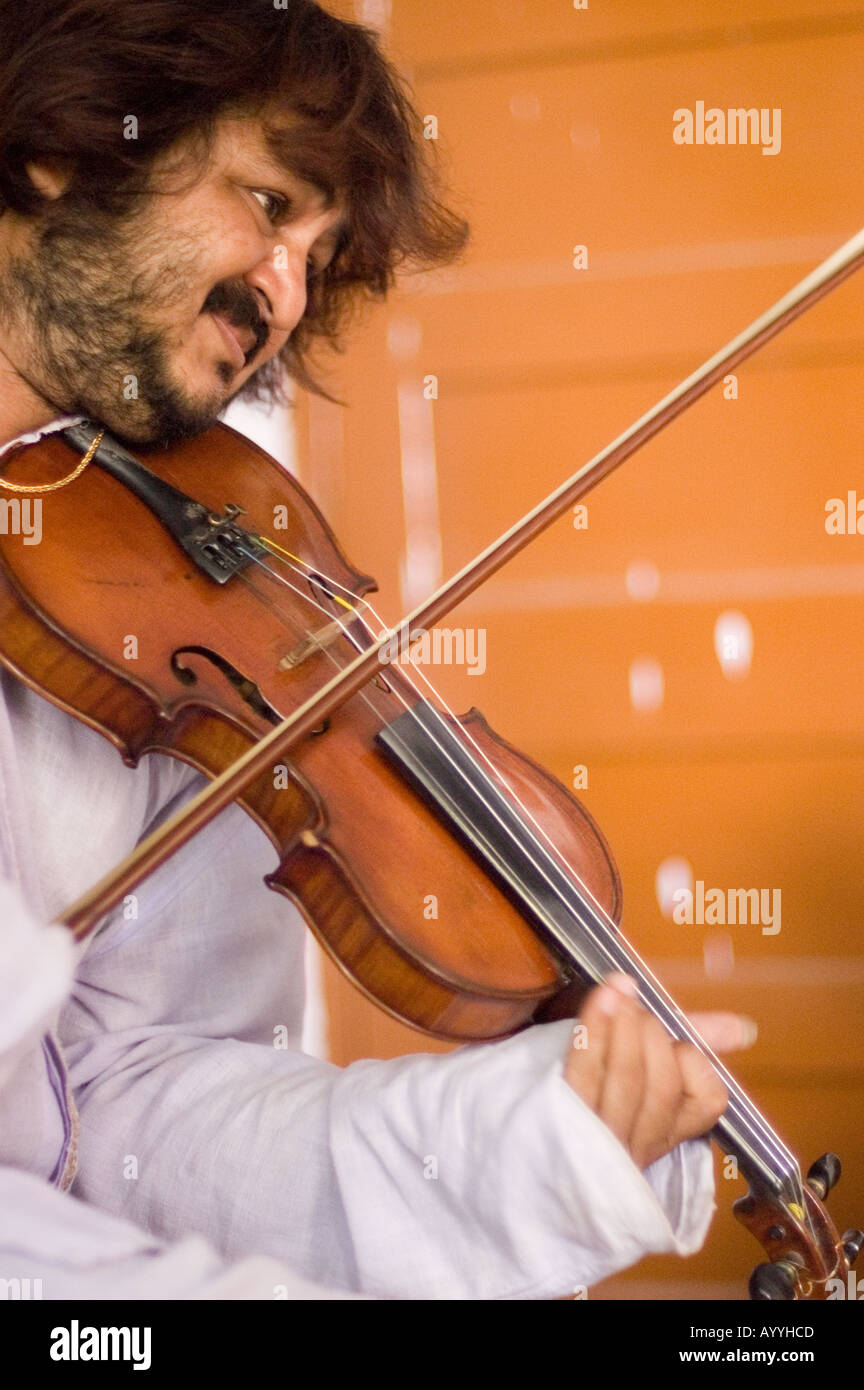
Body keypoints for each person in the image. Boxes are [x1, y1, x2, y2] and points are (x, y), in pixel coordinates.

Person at [0, 0, 755, 1300]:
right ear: (66, 143)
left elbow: (129, 1097)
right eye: (269, 203)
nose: (285, 293)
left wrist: (520, 1146)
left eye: (321, 253)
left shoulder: (151, 602)